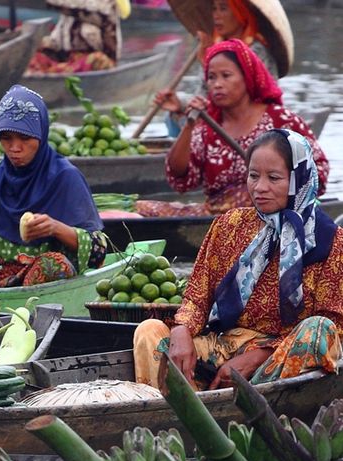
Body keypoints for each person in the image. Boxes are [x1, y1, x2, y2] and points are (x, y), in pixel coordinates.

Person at [133, 129, 343, 391]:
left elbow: (336, 326)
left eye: (274, 178)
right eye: (253, 176)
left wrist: (258, 357)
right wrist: (181, 330)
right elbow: (197, 298)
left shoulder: (329, 240)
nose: (260, 187)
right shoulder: (228, 225)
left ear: (298, 180)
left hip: (278, 357)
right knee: (149, 329)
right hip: (222, 346)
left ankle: (253, 400)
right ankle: (181, 405)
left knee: (320, 330)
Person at [135, 39, 329, 218]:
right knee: (138, 208)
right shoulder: (207, 127)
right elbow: (180, 177)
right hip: (217, 217)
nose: (217, 84)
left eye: (226, 76)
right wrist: (189, 125)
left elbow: (318, 170)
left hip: (269, 214)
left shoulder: (281, 121)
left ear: (247, 78)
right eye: (211, 77)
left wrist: (273, 191)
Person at [0, 85, 107, 289]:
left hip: (45, 278)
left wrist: (56, 228)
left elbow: (98, 248)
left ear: (41, 135)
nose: (14, 148)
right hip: (2, 276)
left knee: (52, 265)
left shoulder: (65, 176)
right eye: (6, 138)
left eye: (25, 138)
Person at [155, 0, 282, 136]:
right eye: (214, 9)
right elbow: (203, 96)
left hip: (245, 122)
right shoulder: (214, 49)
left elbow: (251, 100)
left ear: (241, 13)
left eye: (223, 9)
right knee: (172, 116)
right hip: (216, 115)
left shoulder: (256, 52)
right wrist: (180, 103)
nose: (216, 15)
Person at [26, 0, 125, 74]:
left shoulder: (106, 5)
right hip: (67, 59)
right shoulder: (67, 15)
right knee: (36, 57)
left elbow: (76, 7)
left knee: (96, 59)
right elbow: (56, 41)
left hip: (97, 61)